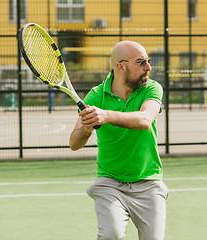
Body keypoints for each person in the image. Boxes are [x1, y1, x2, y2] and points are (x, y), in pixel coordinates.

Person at [69, 40, 168, 240]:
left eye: (147, 61)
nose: (148, 67)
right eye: (141, 62)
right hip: (110, 183)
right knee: (110, 235)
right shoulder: (96, 96)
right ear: (121, 67)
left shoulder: (152, 88)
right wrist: (87, 127)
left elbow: (145, 120)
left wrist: (105, 116)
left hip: (149, 182)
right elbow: (74, 143)